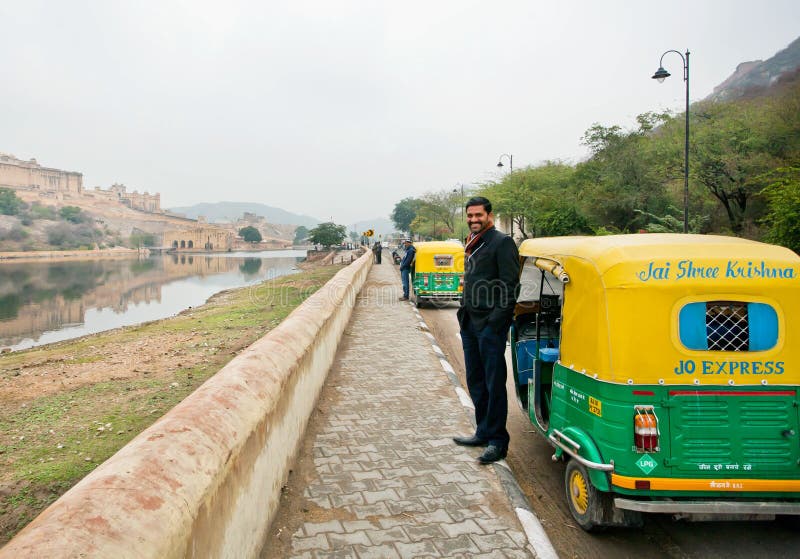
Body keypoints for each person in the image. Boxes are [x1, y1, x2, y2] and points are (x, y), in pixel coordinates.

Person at [453, 196, 520, 464]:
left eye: (478, 215)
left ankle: (497, 441)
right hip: (469, 322)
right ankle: (482, 431)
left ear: (489, 215)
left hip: (489, 327)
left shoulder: (501, 242)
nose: (473, 220)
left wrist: (495, 324)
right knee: (476, 381)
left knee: (493, 384)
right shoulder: (472, 242)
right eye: (470, 216)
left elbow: (510, 287)